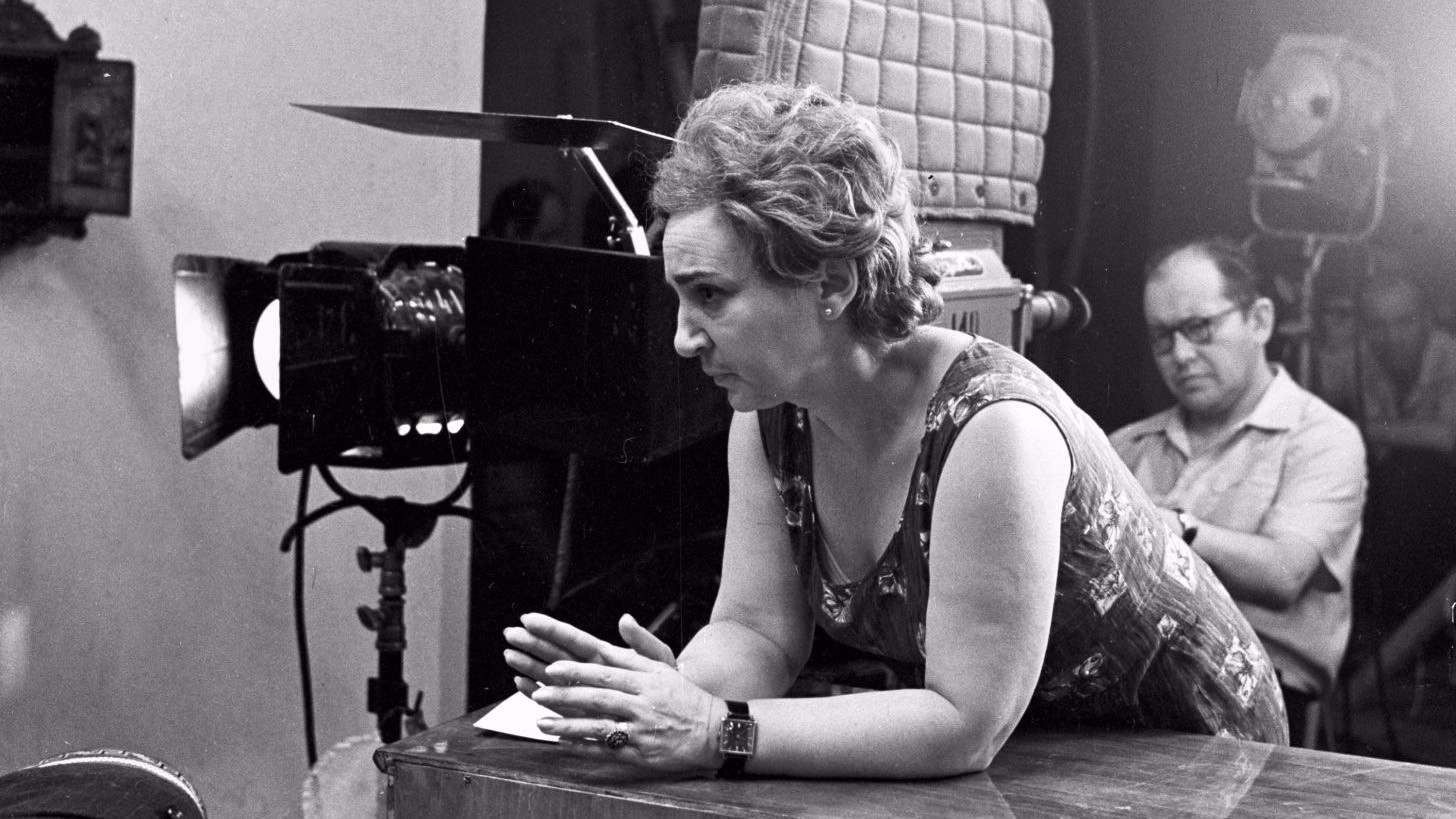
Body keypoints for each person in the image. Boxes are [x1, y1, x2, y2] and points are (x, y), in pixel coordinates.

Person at [502, 81, 1287, 781]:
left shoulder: (992, 429)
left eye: (711, 293)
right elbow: (756, 630)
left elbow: (963, 722)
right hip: (1044, 754)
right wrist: (657, 696)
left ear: (832, 283)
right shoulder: (771, 415)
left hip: (1201, 764)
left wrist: (716, 730)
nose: (682, 337)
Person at [1108, 238, 1366, 744]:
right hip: (1130, 686)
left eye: (1200, 327)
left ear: (1260, 321)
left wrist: (1176, 529)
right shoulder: (1127, 447)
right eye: (1162, 337)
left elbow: (1284, 574)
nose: (1181, 355)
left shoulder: (1321, 438)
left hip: (1257, 691)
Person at [1331, 274, 1456, 637]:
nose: (1391, 337)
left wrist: (1366, 429)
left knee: (1412, 472)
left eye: (1404, 322)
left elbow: (1448, 437)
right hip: (1390, 494)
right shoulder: (1356, 359)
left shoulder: (1450, 356)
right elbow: (1313, 406)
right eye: (1378, 325)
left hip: (1444, 495)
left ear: (1426, 321)